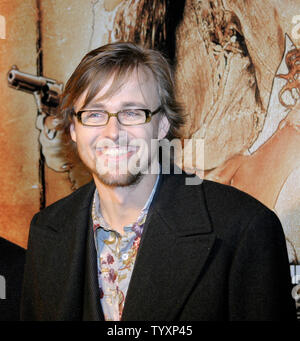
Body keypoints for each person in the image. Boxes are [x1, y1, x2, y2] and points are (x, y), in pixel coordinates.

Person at [21, 42, 296, 321]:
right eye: (94, 114)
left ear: (162, 124)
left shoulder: (244, 229)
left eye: (132, 113)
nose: (112, 132)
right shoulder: (46, 231)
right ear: (74, 129)